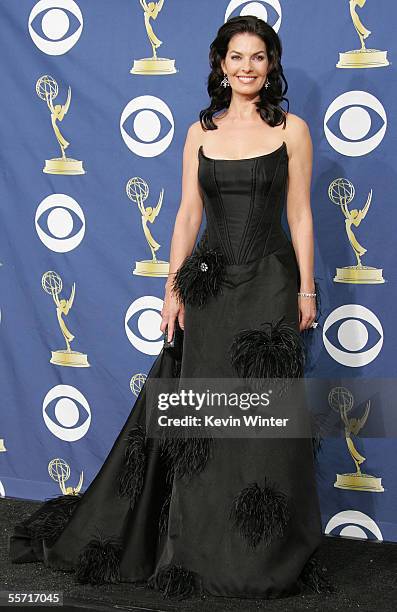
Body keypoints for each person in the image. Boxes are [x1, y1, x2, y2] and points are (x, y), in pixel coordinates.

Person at [9, 15, 335, 601]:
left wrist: (306, 289)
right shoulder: (199, 132)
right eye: (235, 56)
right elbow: (187, 214)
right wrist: (172, 288)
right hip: (209, 286)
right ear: (219, 64)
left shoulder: (294, 130)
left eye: (257, 57)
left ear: (271, 64)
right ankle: (194, 549)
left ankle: (263, 549)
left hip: (268, 284)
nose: (245, 67)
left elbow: (301, 215)